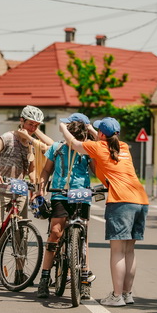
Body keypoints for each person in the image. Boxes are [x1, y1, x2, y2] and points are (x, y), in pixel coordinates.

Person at [59, 117, 149, 307]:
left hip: (121, 201)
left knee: (117, 251)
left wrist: (62, 128)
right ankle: (127, 294)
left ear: (101, 134)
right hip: (140, 200)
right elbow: (107, 140)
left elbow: (74, 143)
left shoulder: (98, 147)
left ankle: (116, 296)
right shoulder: (123, 147)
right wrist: (93, 129)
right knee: (129, 251)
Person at [0, 105, 44, 288]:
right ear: (22, 121)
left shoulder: (31, 143)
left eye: (36, 125)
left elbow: (31, 169)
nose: (33, 128)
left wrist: (35, 183)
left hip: (19, 190)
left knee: (21, 231)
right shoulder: (7, 137)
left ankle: (19, 274)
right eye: (30, 124)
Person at [34, 113, 96, 299]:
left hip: (81, 194)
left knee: (83, 237)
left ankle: (84, 279)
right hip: (60, 193)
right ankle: (44, 278)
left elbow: (97, 170)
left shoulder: (88, 149)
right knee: (55, 232)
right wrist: (41, 188)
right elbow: (46, 170)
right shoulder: (57, 147)